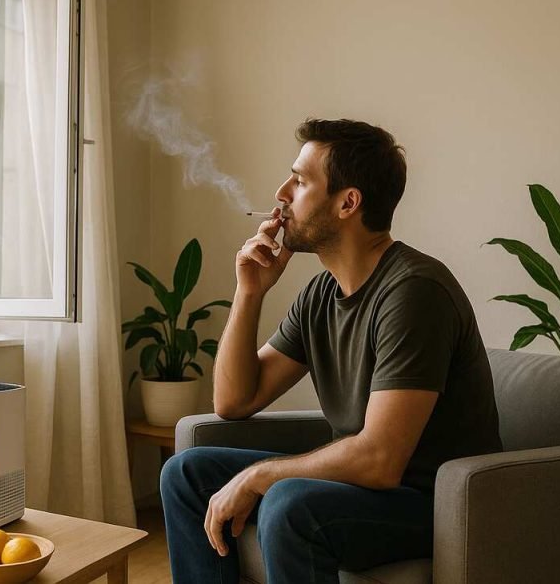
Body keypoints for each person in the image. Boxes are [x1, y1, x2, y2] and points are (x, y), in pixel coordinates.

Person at [160, 118, 503, 584]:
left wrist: (259, 476)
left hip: (432, 501)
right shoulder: (321, 295)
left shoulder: (414, 292)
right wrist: (250, 292)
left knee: (289, 504)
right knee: (185, 475)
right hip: (365, 487)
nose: (282, 193)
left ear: (348, 203)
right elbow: (234, 401)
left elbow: (380, 461)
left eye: (300, 181)